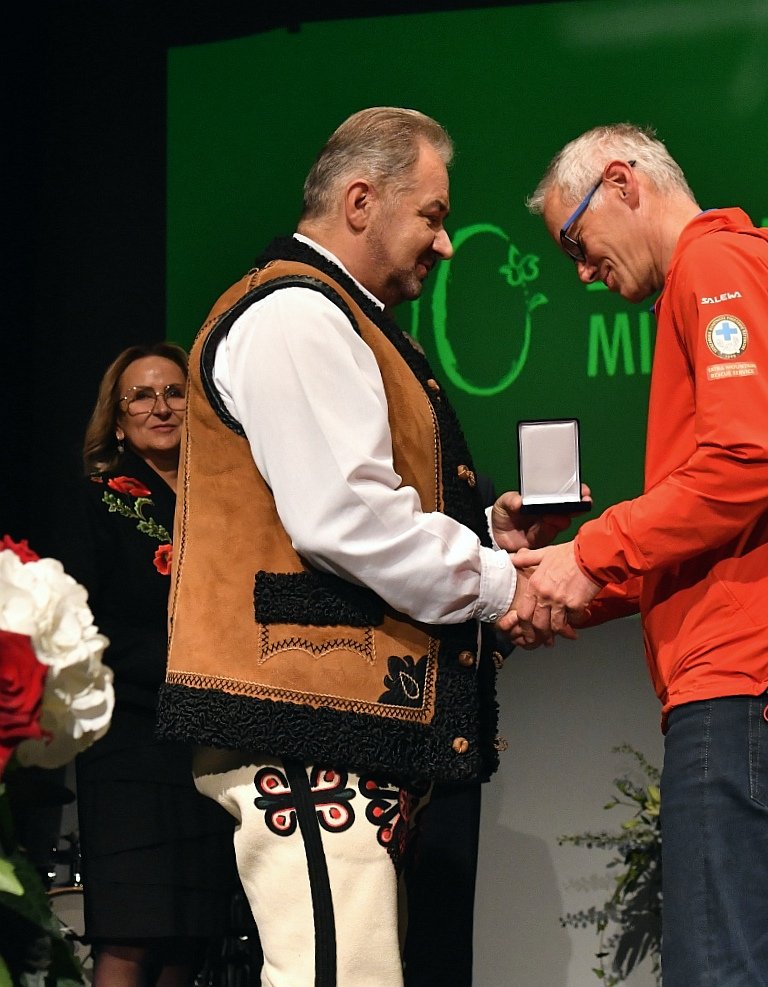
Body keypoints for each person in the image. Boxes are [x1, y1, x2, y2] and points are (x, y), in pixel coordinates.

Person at [155, 106, 577, 987]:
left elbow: (347, 508)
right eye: (432, 214)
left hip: (337, 719)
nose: (446, 242)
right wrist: (503, 583)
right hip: (301, 718)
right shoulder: (296, 316)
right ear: (359, 201)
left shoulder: (337, 316)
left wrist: (485, 539)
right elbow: (346, 518)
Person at [512, 124, 768, 987]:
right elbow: (715, 523)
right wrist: (566, 585)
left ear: (622, 182)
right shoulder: (741, 274)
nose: (581, 271)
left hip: (751, 685)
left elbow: (753, 457)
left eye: (575, 241)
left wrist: (592, 550)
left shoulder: (714, 266)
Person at [61, 343, 241, 987]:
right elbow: (82, 622)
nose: (161, 407)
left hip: (210, 741)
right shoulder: (95, 501)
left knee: (189, 940)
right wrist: (185, 662)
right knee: (133, 936)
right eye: (141, 396)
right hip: (131, 742)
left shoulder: (229, 500)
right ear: (117, 420)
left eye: (175, 392)